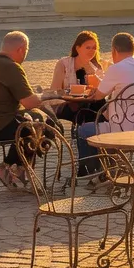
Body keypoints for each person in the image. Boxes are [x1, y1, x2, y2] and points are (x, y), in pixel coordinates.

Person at [0, 31, 49, 189]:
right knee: (39, 125)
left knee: (30, 122)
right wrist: (46, 95)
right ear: (21, 49)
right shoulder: (11, 67)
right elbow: (30, 102)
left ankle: (10, 167)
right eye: (26, 51)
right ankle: (17, 170)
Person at [76, 33, 134, 168]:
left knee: (83, 130)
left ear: (114, 51)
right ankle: (111, 166)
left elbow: (98, 96)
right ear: (133, 49)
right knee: (105, 121)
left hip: (122, 129)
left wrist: (96, 84)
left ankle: (90, 171)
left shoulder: (116, 68)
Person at [48, 30, 107, 171]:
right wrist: (71, 93)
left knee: (93, 111)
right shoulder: (64, 64)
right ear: (77, 48)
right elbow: (55, 90)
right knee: (88, 114)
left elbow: (102, 89)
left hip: (89, 104)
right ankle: (90, 164)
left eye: (94, 47)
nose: (92, 51)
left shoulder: (98, 66)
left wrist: (90, 68)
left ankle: (88, 164)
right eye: (88, 47)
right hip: (66, 104)